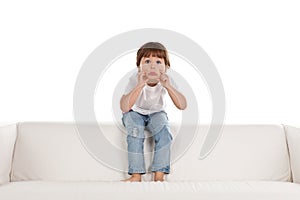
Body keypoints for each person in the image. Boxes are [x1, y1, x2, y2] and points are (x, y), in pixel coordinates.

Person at [120, 42, 187, 182]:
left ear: (166, 67)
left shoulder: (167, 80)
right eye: (147, 61)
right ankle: (136, 174)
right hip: (134, 112)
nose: (152, 65)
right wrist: (139, 85)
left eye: (158, 61)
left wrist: (168, 86)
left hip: (156, 113)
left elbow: (182, 105)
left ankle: (159, 175)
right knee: (135, 132)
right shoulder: (135, 79)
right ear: (139, 66)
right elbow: (124, 107)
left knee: (165, 134)